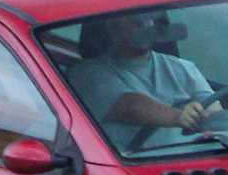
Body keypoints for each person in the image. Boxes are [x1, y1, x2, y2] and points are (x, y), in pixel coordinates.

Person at [65, 11, 219, 143]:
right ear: (113, 26)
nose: (145, 26)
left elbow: (214, 110)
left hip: (194, 155)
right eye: (136, 21)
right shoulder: (89, 73)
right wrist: (178, 117)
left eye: (149, 20)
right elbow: (130, 107)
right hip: (131, 166)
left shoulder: (183, 67)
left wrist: (209, 119)